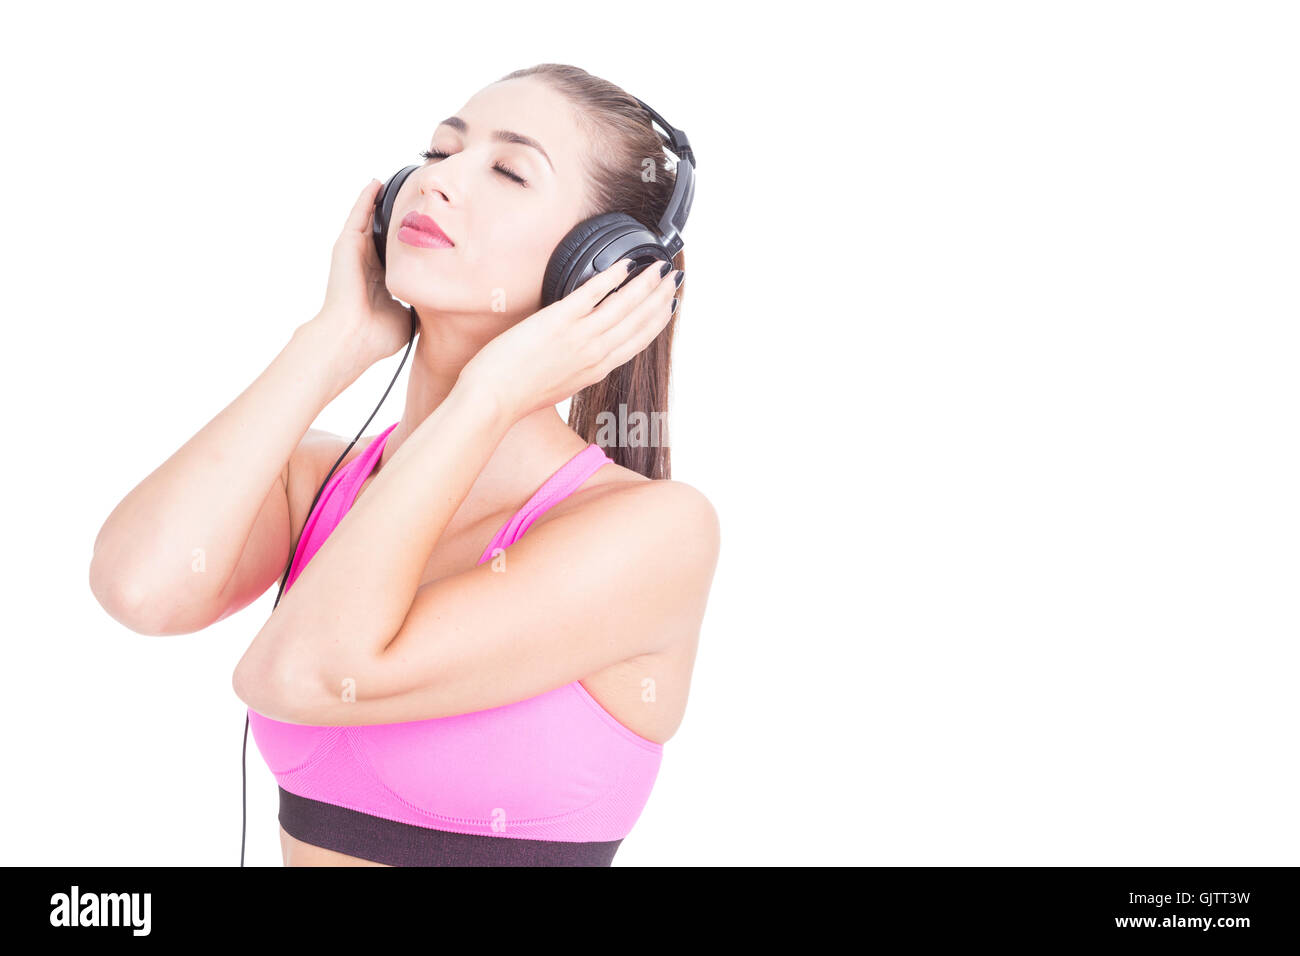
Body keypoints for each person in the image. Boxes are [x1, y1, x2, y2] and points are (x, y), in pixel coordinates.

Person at [88, 63, 719, 866]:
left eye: (508, 170)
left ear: (602, 271)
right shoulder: (317, 483)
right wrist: (328, 343)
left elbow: (303, 673)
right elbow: (139, 588)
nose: (438, 181)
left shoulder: (653, 534)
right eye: (439, 151)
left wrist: (488, 398)